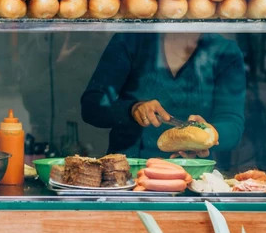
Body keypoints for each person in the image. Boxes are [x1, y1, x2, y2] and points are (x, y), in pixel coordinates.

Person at [81, 32, 246, 159]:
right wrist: (132, 109)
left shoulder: (225, 52)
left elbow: (232, 124)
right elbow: (92, 106)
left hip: (197, 178)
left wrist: (208, 133)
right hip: (129, 174)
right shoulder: (130, 40)